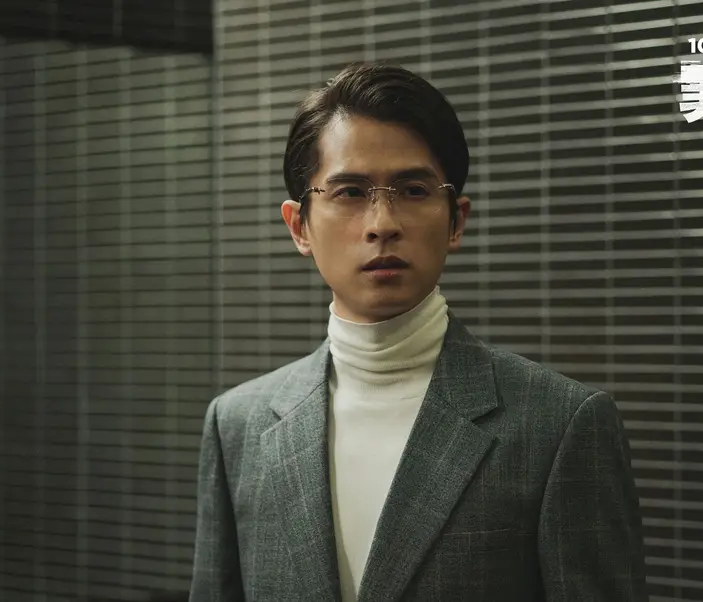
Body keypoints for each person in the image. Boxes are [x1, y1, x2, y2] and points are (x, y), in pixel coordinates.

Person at [189, 62, 646, 602]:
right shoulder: (237, 425)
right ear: (299, 226)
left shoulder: (559, 425)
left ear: (456, 220)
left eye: (412, 189)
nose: (383, 223)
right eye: (350, 191)